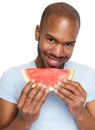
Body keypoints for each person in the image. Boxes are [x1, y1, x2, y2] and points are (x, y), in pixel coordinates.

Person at [0, 2, 95, 130]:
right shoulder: (11, 77)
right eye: (51, 40)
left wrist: (80, 113)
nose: (57, 53)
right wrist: (24, 120)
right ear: (38, 33)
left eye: (68, 44)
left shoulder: (89, 75)